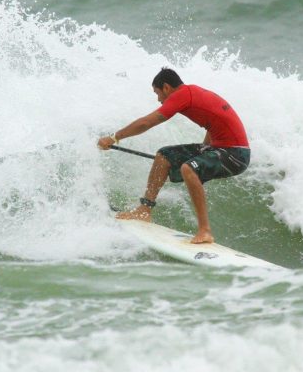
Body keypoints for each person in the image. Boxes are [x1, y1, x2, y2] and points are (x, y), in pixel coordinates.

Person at [97, 68, 250, 244]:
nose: (158, 99)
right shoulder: (191, 93)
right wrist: (205, 148)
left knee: (188, 168)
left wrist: (114, 137)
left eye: (157, 93)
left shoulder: (183, 95)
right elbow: (213, 123)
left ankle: (205, 231)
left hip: (235, 154)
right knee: (164, 156)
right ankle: (144, 210)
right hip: (219, 147)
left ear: (167, 87)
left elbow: (147, 122)